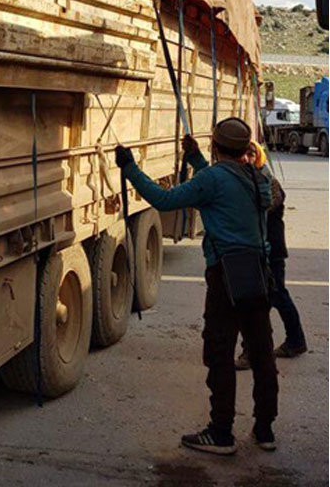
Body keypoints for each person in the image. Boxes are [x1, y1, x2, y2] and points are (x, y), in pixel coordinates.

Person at [114, 117, 278, 455]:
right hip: (258, 274)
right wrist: (195, 159)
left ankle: (221, 433)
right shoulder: (257, 175)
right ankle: (265, 430)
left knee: (219, 353)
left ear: (216, 146)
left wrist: (129, 167)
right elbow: (224, 186)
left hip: (225, 275)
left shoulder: (213, 179)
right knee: (262, 353)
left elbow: (163, 199)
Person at [236, 141, 307, 370]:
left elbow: (263, 207)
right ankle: (261, 348)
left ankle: (288, 343)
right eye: (244, 153)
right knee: (260, 301)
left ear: (259, 156)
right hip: (257, 251)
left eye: (252, 153)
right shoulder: (248, 180)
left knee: (274, 297)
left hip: (271, 252)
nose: (247, 158)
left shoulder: (267, 181)